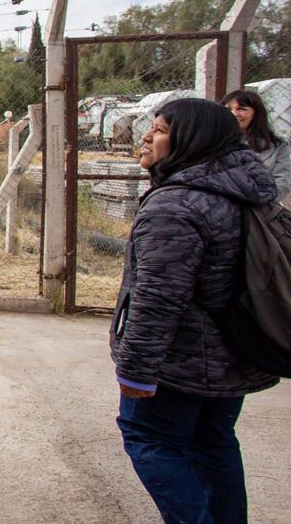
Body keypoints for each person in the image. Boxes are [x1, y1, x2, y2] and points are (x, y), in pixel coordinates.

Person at [111, 98, 280, 523]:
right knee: (213, 442)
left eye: (162, 129)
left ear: (193, 141)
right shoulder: (244, 191)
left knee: (149, 438)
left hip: (181, 361)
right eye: (150, 126)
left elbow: (157, 299)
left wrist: (136, 368)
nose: (147, 136)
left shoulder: (176, 206)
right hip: (237, 351)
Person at [222, 88, 291, 202]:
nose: (234, 114)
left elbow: (282, 184)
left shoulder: (277, 146)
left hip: (259, 209)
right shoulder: (212, 143)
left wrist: (255, 201)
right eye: (228, 109)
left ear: (256, 114)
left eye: (241, 109)